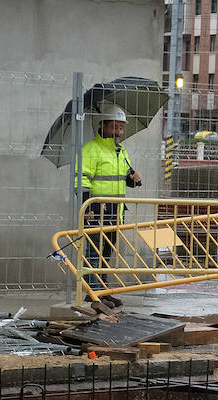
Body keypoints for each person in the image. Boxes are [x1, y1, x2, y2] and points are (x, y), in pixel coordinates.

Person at [77, 102, 141, 300]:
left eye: (121, 127)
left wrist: (133, 178)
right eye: (114, 126)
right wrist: (86, 206)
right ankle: (93, 292)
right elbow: (81, 179)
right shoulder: (91, 149)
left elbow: (122, 177)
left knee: (106, 254)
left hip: (116, 210)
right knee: (94, 253)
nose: (118, 131)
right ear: (103, 125)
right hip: (95, 209)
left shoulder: (121, 151)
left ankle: (103, 291)